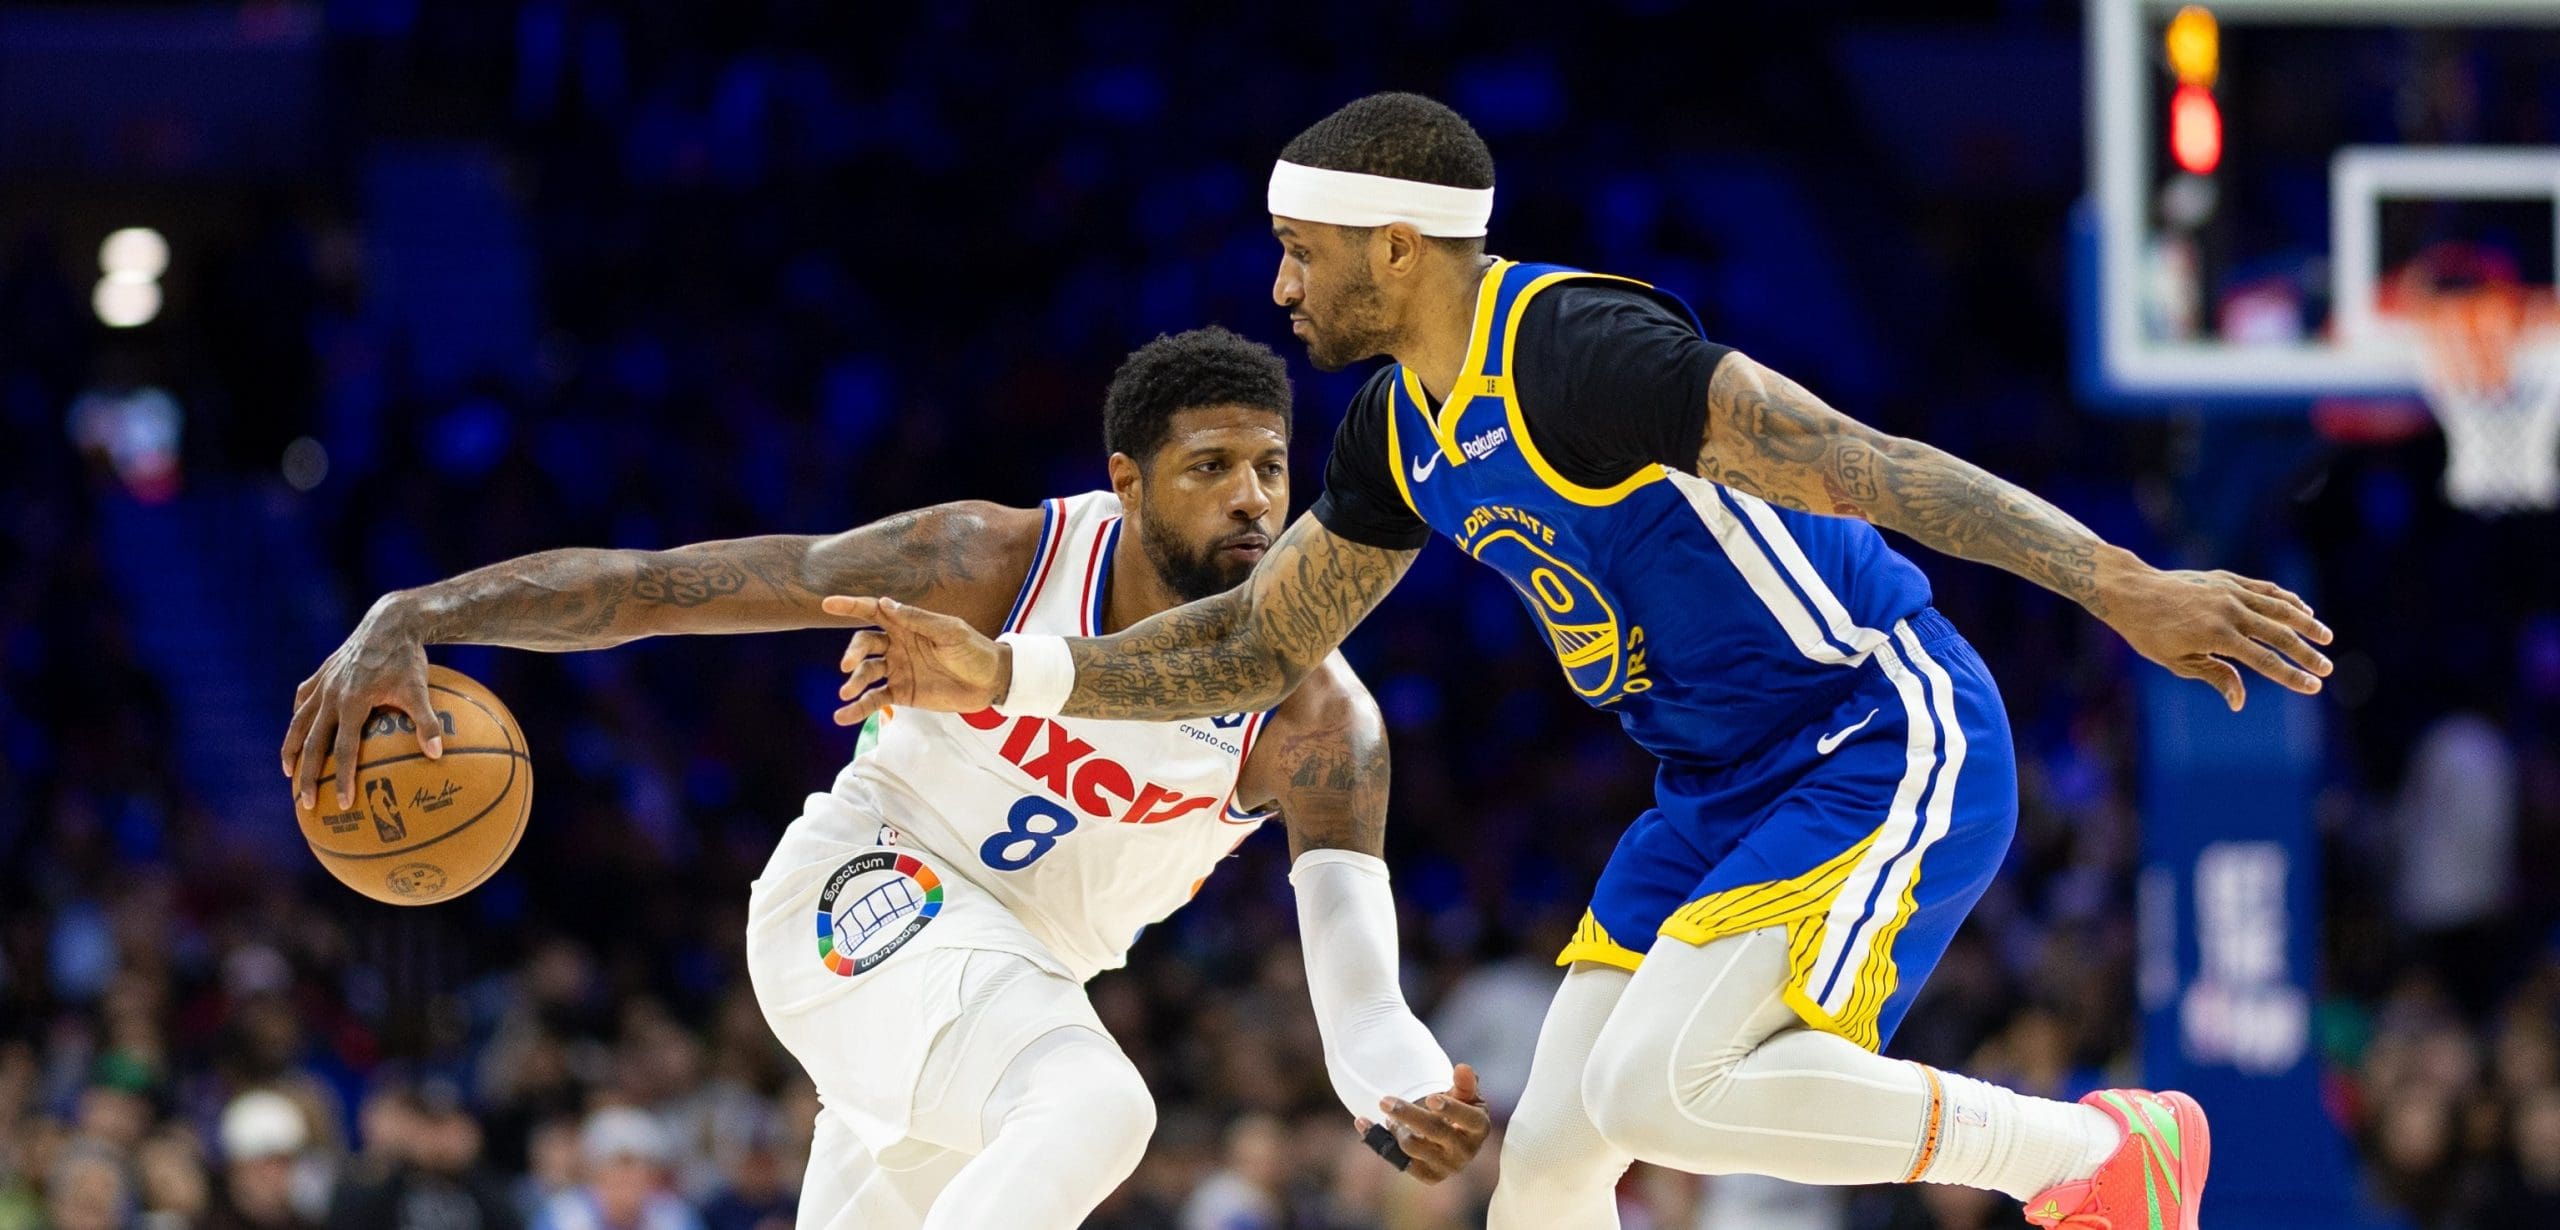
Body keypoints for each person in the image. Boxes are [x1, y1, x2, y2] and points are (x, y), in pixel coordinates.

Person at [823, 93, 2340, 1230]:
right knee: (1549, 1162)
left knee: (1656, 1089)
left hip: (1871, 726)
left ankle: (2096, 1155)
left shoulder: (1578, 352)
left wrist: (2123, 582)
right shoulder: (1394, 431)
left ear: (1396, 245)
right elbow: (1252, 639)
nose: (1280, 290)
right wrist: (1007, 674)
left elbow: (1864, 463)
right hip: (1711, 784)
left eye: (1300, 254)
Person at [283, 327, 1490, 1229]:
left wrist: (1408, 1092)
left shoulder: (1320, 719)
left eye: (1271, 468)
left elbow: (1361, 1004)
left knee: (1050, 1107)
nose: (1252, 499)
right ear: (1126, 483)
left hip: (999, 1003)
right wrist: (420, 611)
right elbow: (660, 588)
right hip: (868, 890)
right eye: (1210, 465)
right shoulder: (995, 560)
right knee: (1097, 1106)